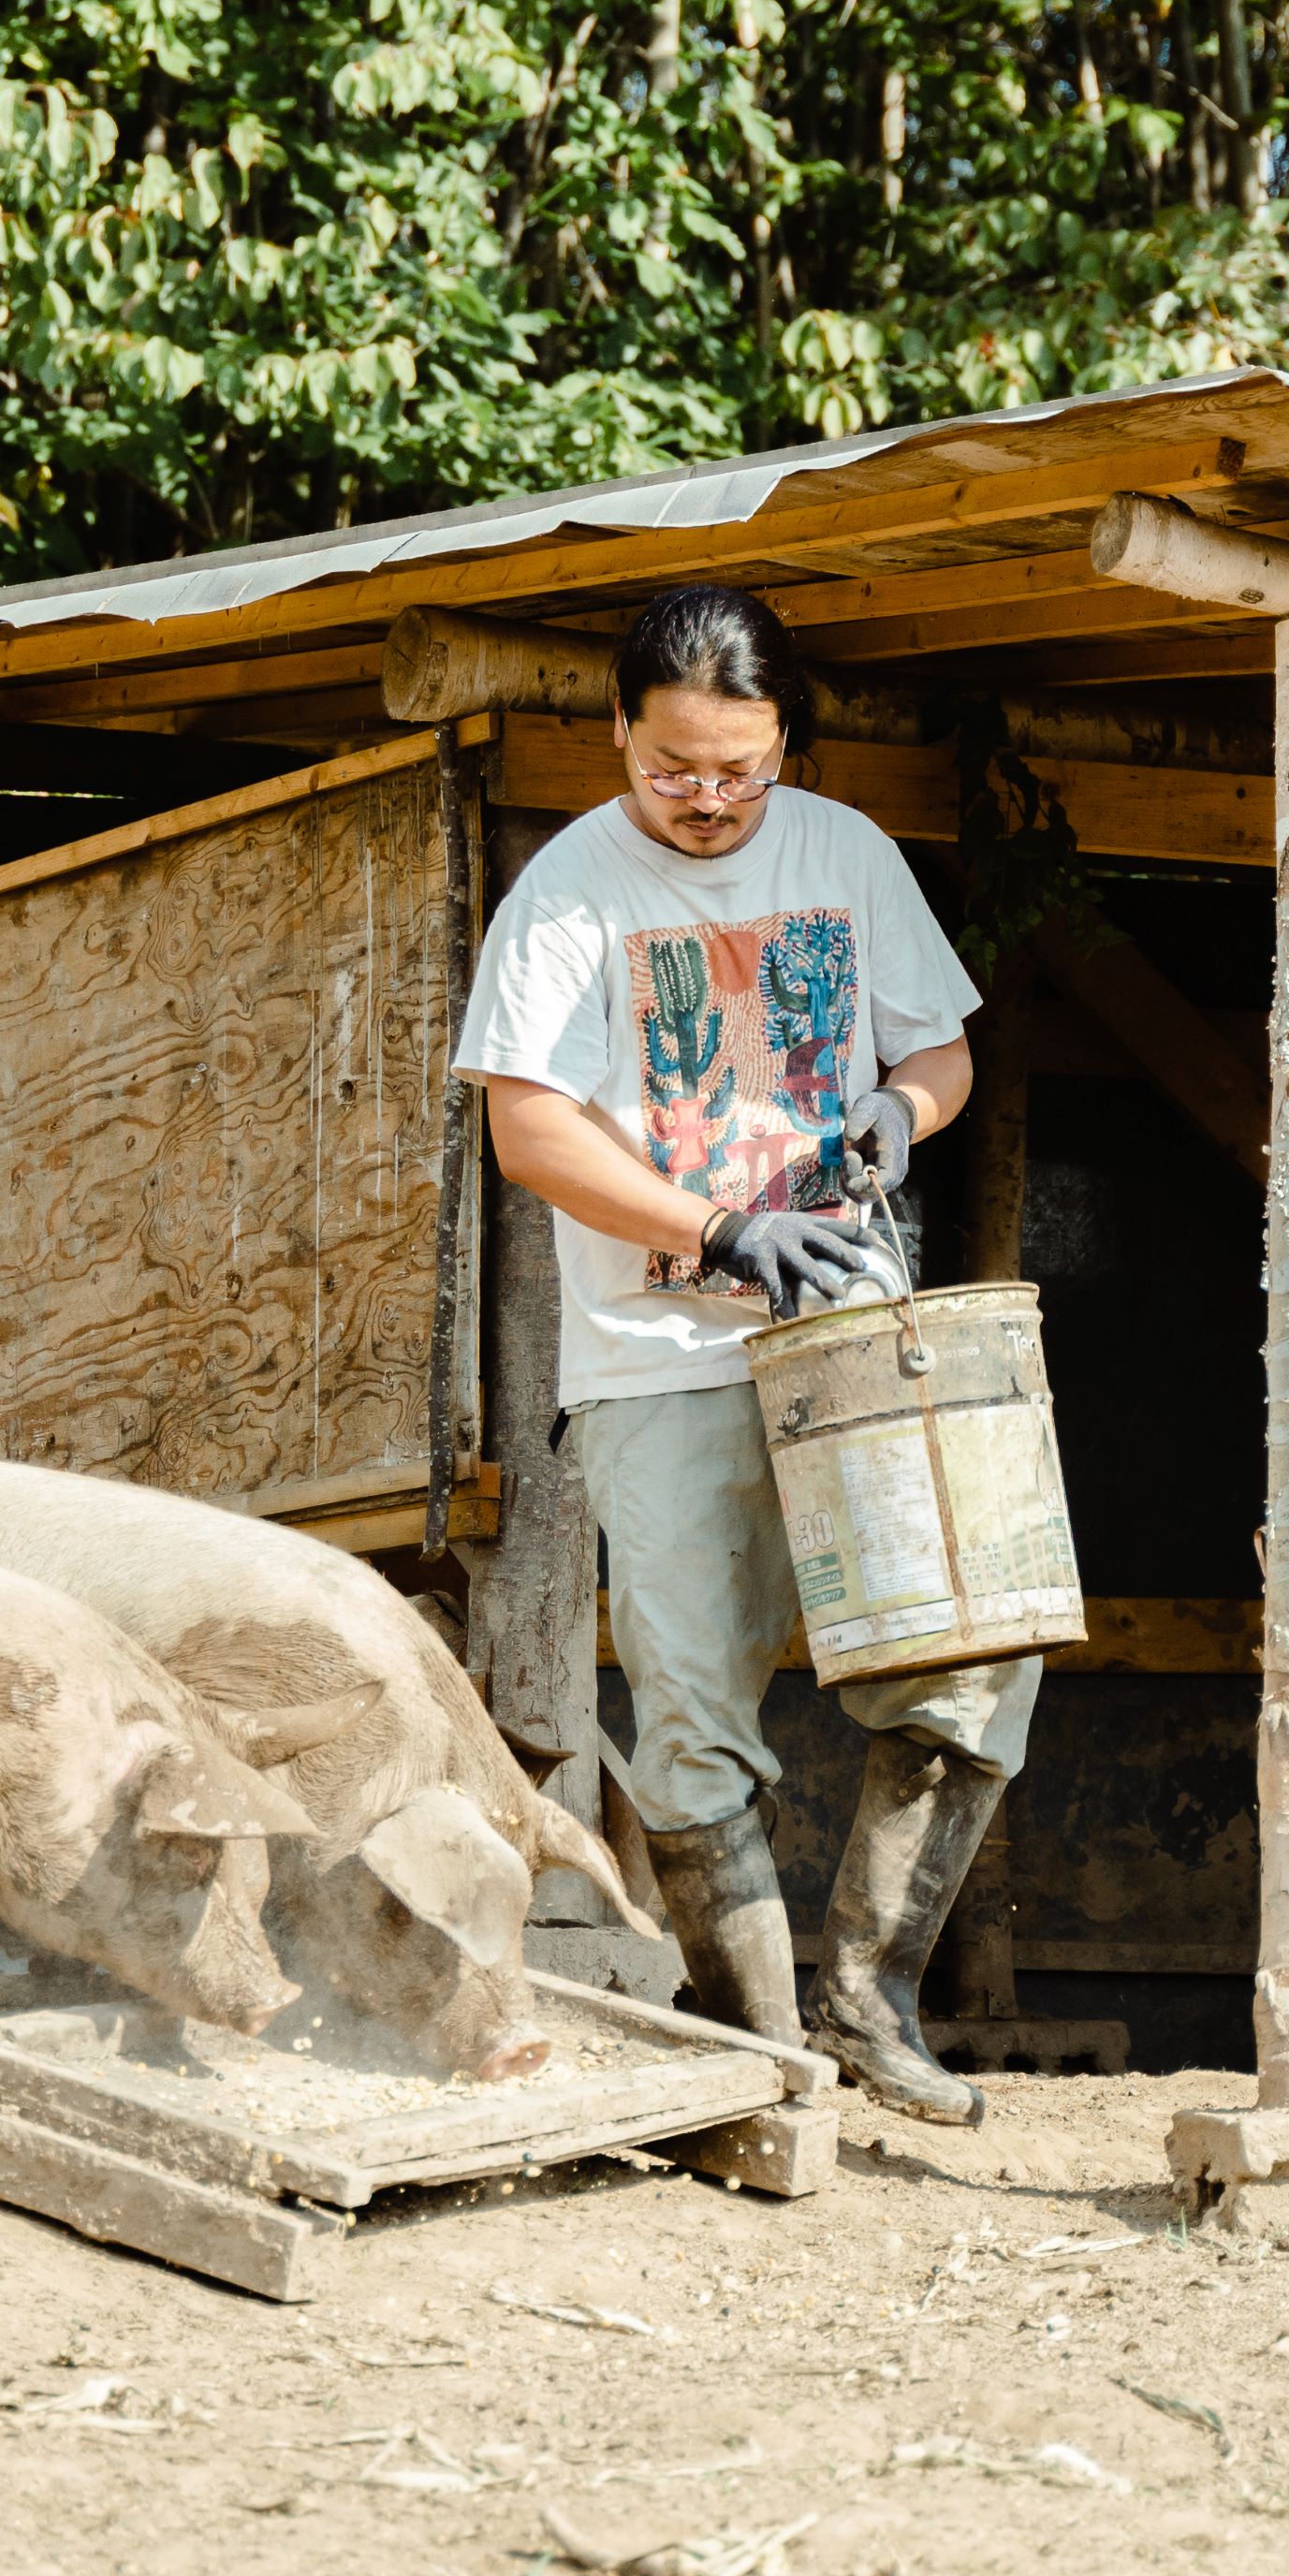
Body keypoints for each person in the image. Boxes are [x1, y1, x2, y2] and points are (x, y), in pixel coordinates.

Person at [447, 580, 1034, 2125]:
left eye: (741, 770)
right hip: (660, 1353)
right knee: (697, 1718)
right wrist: (715, 1233)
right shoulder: (569, 895)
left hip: (855, 1341)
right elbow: (527, 1130)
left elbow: (941, 1050)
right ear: (622, 735)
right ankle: (757, 2057)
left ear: (785, 742)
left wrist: (895, 1120)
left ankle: (865, 1999)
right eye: (674, 769)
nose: (708, 801)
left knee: (978, 1656)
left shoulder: (845, 852)